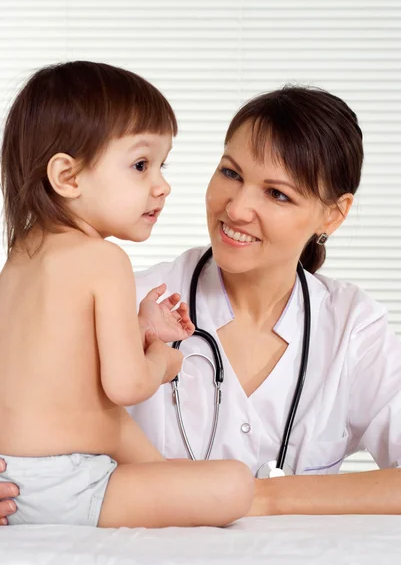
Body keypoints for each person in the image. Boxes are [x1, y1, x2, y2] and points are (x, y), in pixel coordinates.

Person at [2, 84, 401, 522]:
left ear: (333, 215)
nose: (238, 208)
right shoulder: (130, 297)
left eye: (277, 194)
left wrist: (265, 498)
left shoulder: (352, 328)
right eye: (231, 173)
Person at [0, 61, 254, 528]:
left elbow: (60, 366)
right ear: (68, 177)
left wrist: (139, 326)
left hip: (10, 479)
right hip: (69, 486)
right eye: (141, 165)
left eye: (162, 164)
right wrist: (164, 361)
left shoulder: (20, 257)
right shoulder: (104, 259)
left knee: (122, 432)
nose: (162, 185)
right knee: (235, 484)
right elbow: (125, 386)